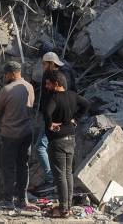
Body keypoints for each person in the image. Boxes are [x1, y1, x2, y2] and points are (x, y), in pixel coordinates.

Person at [0, 60, 38, 211]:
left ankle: (8, 200)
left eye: (6, 74)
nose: (5, 76)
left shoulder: (7, 89)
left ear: (12, 74)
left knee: (8, 167)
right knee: (23, 166)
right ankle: (23, 199)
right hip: (26, 132)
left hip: (10, 134)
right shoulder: (30, 87)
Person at [43, 71, 89, 218]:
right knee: (68, 173)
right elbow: (86, 104)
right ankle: (68, 205)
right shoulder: (73, 95)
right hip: (71, 138)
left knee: (60, 175)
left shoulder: (54, 97)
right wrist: (76, 119)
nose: (46, 86)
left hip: (57, 141)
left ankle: (63, 209)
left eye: (48, 83)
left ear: (57, 84)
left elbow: (46, 112)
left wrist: (50, 124)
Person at [34, 51, 76, 194]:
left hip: (55, 118)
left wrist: (49, 121)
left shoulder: (51, 76)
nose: (42, 66)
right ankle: (62, 189)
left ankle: (51, 179)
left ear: (51, 64)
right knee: (65, 161)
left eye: (44, 64)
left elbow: (48, 103)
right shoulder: (68, 73)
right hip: (67, 120)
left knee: (40, 147)